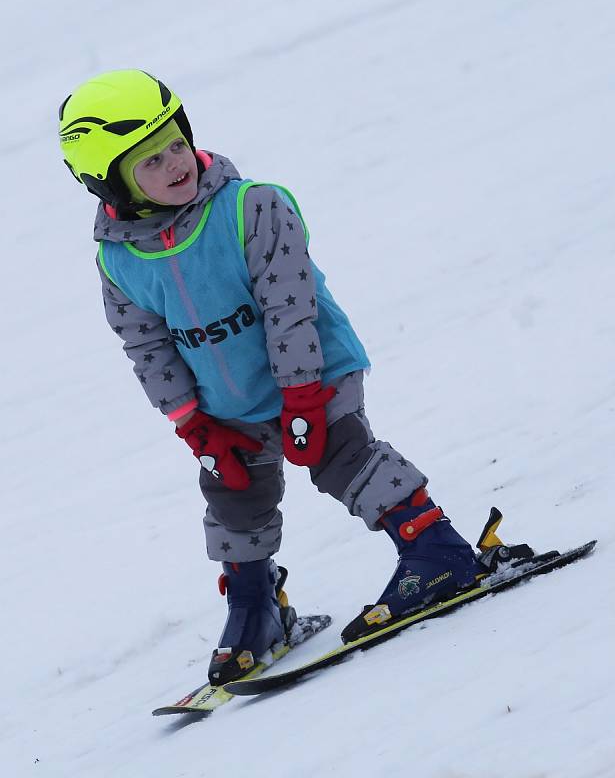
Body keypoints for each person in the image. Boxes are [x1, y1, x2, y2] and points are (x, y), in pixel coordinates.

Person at [59, 69, 505, 685]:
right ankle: (255, 606)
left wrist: (302, 396)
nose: (174, 164)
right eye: (149, 162)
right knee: (234, 499)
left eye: (176, 144)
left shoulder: (252, 207)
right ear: (110, 184)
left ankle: (435, 549)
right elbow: (146, 348)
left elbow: (289, 306)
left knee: (343, 457)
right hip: (228, 406)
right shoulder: (119, 260)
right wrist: (194, 427)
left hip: (313, 374)